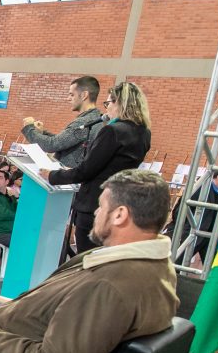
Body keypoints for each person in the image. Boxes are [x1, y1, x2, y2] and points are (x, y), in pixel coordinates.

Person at [0, 170, 177, 353]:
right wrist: (21, 304)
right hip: (35, 323)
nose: (96, 213)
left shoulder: (109, 284)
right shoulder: (153, 264)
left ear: (119, 215)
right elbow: (76, 309)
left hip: (16, 342)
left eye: (101, 206)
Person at [42, 81, 152, 253]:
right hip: (119, 202)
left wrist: (52, 176)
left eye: (108, 103)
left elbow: (87, 170)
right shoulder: (143, 133)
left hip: (95, 205)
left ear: (120, 103)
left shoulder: (112, 131)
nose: (106, 108)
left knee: (88, 258)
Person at [21, 76, 105, 169]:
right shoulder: (96, 119)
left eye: (72, 95)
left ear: (84, 95)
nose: (68, 98)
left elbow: (51, 145)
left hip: (68, 179)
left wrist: (29, 128)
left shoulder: (84, 122)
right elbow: (64, 141)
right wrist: (42, 133)